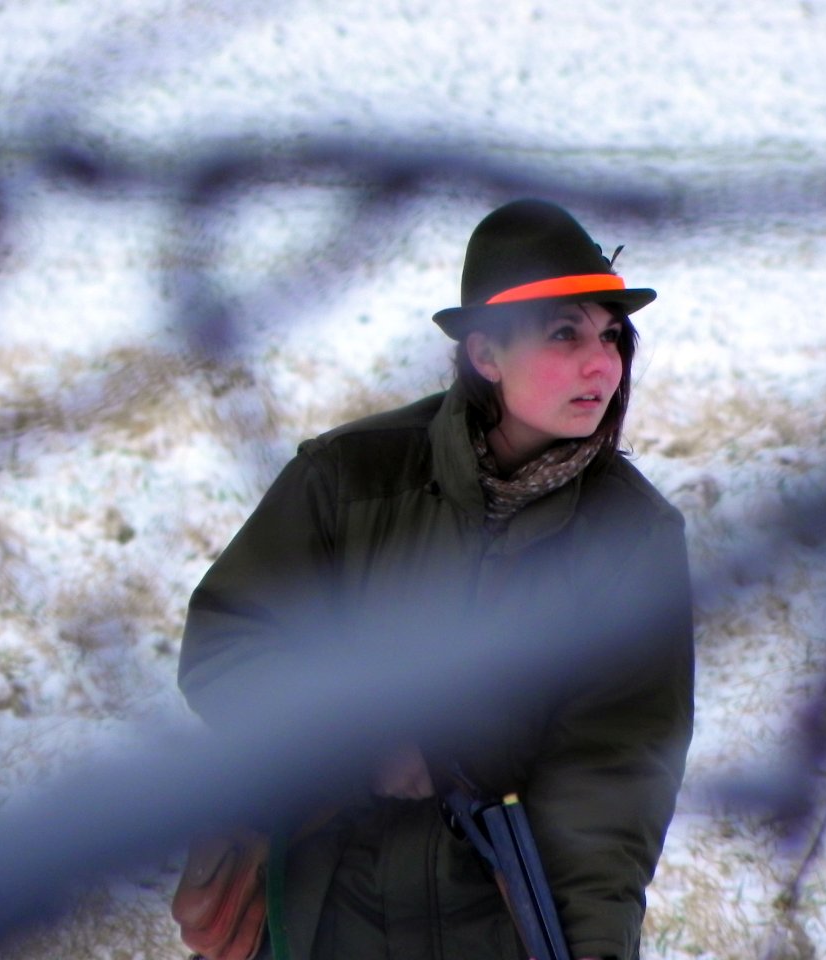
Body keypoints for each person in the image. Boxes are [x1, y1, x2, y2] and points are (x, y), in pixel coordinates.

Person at [176, 198, 695, 960]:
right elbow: (228, 644)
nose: (602, 365)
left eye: (612, 336)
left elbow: (613, 785)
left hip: (494, 928)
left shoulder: (633, 538)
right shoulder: (349, 477)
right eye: (565, 334)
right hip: (325, 915)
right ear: (485, 354)